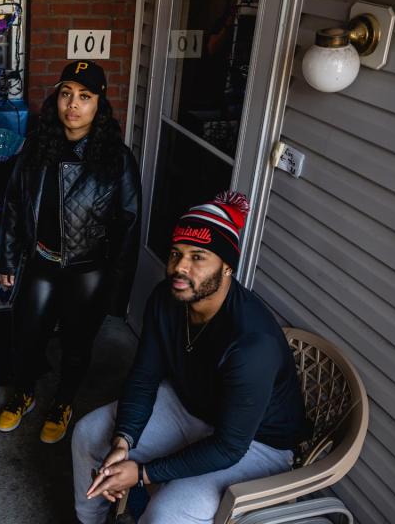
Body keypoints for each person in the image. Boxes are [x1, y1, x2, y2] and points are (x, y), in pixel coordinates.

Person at [70, 192, 310, 524]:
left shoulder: (252, 342)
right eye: (176, 254)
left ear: (227, 267)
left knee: (165, 513)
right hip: (192, 409)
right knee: (87, 435)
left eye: (198, 257)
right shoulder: (165, 301)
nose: (180, 267)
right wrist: (124, 440)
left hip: (257, 444)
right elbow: (144, 376)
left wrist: (141, 474)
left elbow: (228, 447)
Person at [0, 60, 141, 444]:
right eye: (66, 94)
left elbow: (129, 224)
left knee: (78, 344)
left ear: (99, 105)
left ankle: (63, 401)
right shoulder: (37, 146)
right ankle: (24, 393)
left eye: (84, 97)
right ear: (56, 99)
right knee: (26, 335)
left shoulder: (116, 158)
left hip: (87, 269)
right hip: (41, 260)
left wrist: (118, 289)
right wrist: (8, 260)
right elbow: (13, 204)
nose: (73, 105)